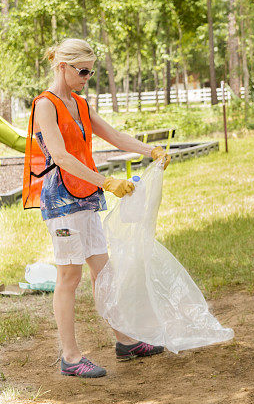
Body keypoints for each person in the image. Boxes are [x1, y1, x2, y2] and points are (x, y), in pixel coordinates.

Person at [22, 38, 171, 378]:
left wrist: (151, 151)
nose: (88, 77)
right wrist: (107, 182)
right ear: (63, 66)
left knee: (104, 273)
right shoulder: (44, 105)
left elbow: (115, 136)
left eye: (91, 71)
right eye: (83, 71)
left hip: (86, 197)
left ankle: (126, 342)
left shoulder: (80, 104)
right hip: (61, 201)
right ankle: (71, 358)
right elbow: (59, 156)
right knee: (68, 276)